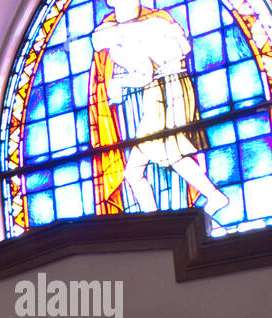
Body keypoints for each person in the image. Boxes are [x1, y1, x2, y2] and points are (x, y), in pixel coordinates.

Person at [90, 0, 230, 219]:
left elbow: (144, 74)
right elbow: (184, 48)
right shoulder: (155, 22)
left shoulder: (124, 39)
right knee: (149, 163)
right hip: (178, 87)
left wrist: (118, 83)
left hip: (163, 94)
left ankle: (209, 198)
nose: (105, 51)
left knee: (166, 157)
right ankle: (156, 219)